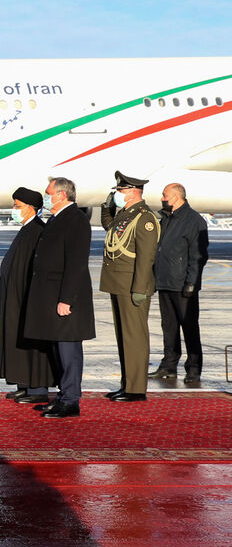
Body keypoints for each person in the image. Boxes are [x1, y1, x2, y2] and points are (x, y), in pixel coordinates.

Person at [23, 177, 95, 418]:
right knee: (58, 351)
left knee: (69, 352)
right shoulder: (58, 217)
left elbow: (76, 264)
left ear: (62, 195)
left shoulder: (76, 220)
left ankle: (71, 400)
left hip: (66, 299)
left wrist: (67, 299)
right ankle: (63, 396)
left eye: (48, 193)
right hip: (52, 297)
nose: (45, 197)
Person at [99, 171, 159, 403]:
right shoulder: (126, 214)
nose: (117, 194)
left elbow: (146, 258)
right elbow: (110, 227)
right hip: (119, 283)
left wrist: (140, 288)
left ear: (133, 192)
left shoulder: (144, 218)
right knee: (124, 337)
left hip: (132, 285)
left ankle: (136, 389)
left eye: (120, 191)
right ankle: (127, 384)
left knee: (134, 337)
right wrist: (107, 207)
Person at [0, 187, 55, 405]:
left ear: (31, 208)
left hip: (28, 300)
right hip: (16, 299)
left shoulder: (38, 231)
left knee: (33, 344)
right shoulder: (26, 230)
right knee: (17, 340)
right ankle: (24, 384)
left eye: (17, 207)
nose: (14, 210)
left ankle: (37, 388)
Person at [151, 182, 208, 386]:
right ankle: (169, 365)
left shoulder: (193, 220)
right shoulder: (167, 218)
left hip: (183, 284)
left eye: (164, 195)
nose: (162, 198)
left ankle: (194, 368)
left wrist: (191, 283)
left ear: (176, 196)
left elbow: (198, 255)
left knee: (189, 327)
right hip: (165, 282)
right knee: (169, 327)